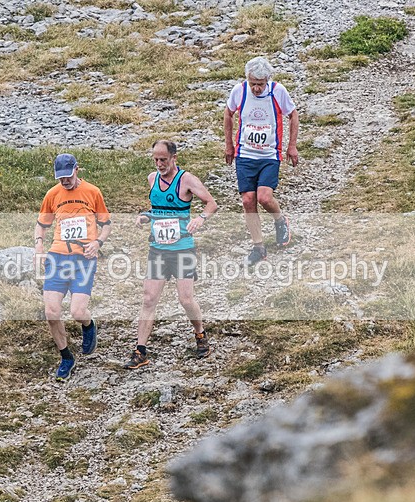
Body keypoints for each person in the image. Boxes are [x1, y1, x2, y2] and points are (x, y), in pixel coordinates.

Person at [124, 140, 218, 370]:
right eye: (155, 159)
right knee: (148, 299)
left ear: (174, 157)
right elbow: (158, 210)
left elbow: (211, 203)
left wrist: (200, 218)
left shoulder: (186, 180)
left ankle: (200, 334)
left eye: (163, 160)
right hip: (158, 249)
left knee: (185, 299)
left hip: (182, 249)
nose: (159, 164)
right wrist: (146, 216)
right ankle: (140, 350)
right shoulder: (152, 178)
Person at [34, 153, 112, 381]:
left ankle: (88, 325)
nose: (65, 182)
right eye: (60, 178)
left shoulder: (93, 192)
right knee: (51, 313)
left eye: (68, 176)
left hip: (84, 260)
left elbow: (106, 224)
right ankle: (66, 357)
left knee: (77, 312)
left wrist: (98, 242)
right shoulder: (52, 194)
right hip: (58, 258)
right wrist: (39, 249)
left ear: (77, 169)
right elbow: (40, 226)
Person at [224, 56, 299, 266]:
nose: (256, 88)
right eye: (253, 83)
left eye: (260, 84)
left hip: (269, 155)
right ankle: (258, 247)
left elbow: (293, 115)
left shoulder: (278, 91)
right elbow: (228, 114)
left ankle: (280, 219)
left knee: (264, 198)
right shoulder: (239, 91)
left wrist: (291, 146)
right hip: (245, 155)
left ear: (268, 80)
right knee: (248, 200)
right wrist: (229, 144)